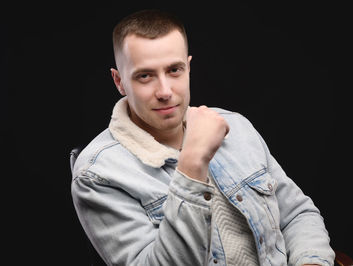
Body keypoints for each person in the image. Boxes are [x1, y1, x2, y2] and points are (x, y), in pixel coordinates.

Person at [71, 9, 335, 266]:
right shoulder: (97, 173)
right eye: (145, 76)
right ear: (119, 82)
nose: (165, 91)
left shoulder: (236, 126)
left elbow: (297, 215)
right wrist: (192, 165)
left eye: (174, 70)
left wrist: (311, 262)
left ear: (188, 67)